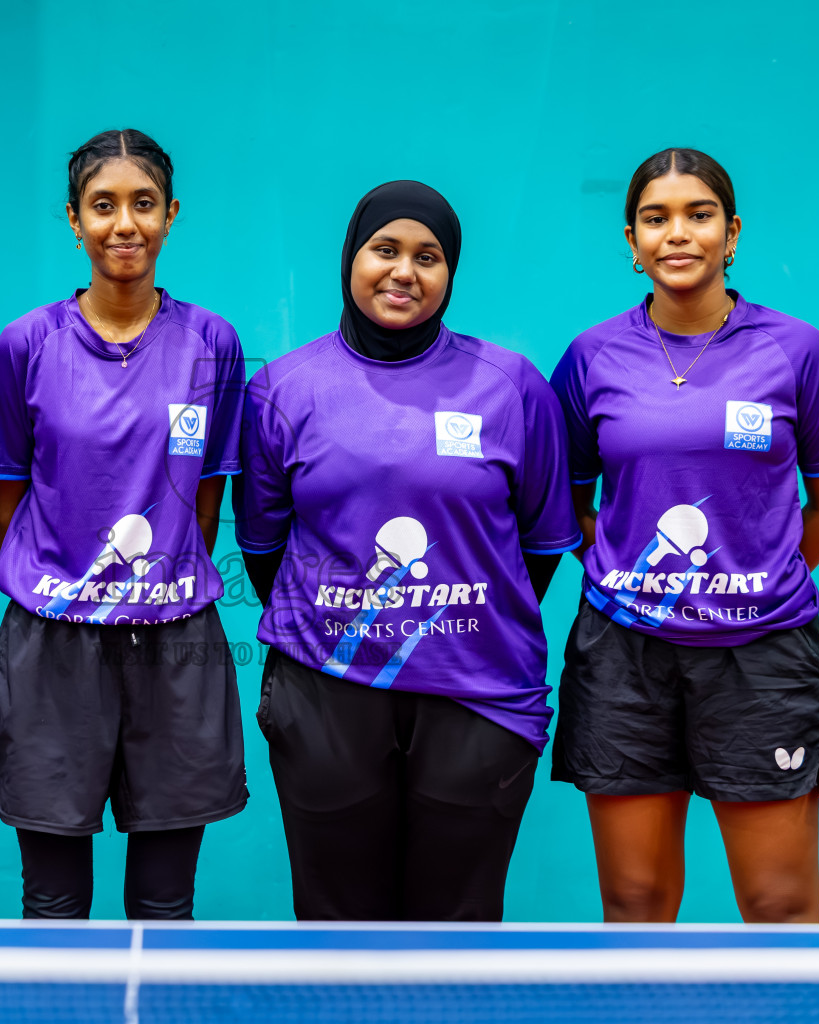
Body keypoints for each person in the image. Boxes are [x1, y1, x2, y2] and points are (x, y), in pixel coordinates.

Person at [234, 181, 580, 921]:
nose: (404, 272)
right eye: (384, 250)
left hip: (478, 696)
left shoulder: (513, 386)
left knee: (457, 931)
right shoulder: (281, 389)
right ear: (350, 258)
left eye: (428, 257)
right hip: (325, 691)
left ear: (450, 271)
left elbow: (539, 548)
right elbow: (264, 547)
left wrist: (454, 615)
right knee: (337, 928)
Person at [549, 148, 819, 923]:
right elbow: (569, 502)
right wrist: (627, 571)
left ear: (732, 233)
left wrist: (756, 575)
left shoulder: (798, 351)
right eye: (656, 219)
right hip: (624, 655)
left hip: (762, 656)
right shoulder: (592, 357)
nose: (678, 233)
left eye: (699, 214)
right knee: (634, 902)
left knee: (781, 904)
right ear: (632, 241)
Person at [0, 128, 248, 920]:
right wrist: (63, 584)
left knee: (165, 903)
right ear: (73, 219)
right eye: (103, 206)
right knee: (53, 901)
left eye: (142, 204)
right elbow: (8, 501)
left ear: (169, 216)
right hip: (53, 641)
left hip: (175, 643)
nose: (123, 223)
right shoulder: (26, 344)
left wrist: (156, 571)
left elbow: (205, 502)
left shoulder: (212, 344)